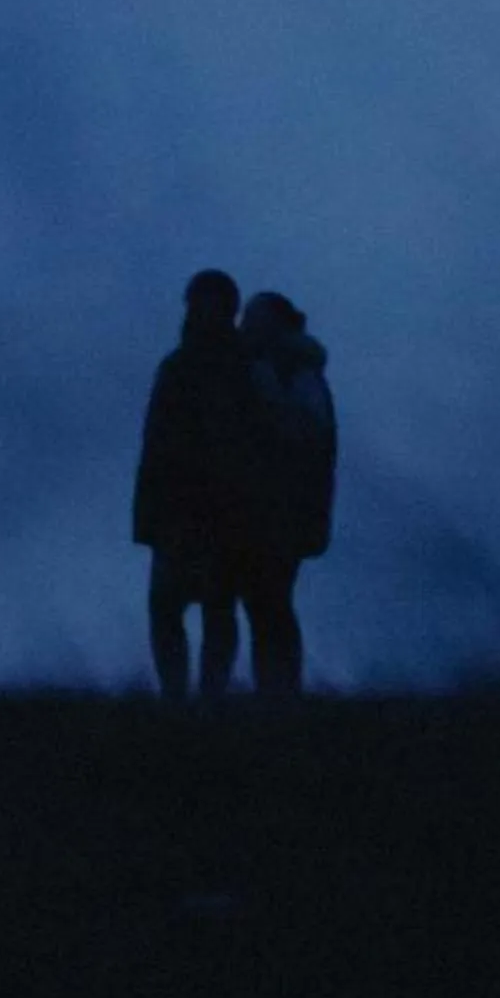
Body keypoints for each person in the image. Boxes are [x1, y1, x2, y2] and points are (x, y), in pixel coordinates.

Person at [132, 268, 257, 700]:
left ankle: (206, 697)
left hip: (220, 506)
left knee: (214, 605)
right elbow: (155, 442)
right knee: (172, 605)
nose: (198, 311)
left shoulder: (239, 367)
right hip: (180, 507)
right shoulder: (182, 365)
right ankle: (180, 697)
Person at [228, 289, 339, 696]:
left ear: (275, 324)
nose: (244, 326)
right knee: (265, 602)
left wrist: (268, 393)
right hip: (269, 505)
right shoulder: (287, 368)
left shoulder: (295, 373)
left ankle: (279, 690)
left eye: (253, 318)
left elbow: (306, 433)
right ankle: (276, 691)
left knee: (269, 602)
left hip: (283, 507)